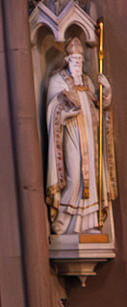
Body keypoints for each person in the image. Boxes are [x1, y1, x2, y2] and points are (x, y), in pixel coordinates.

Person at [47, 33, 114, 235]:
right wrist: (65, 113)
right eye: (74, 59)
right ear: (67, 60)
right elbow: (51, 109)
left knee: (92, 178)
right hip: (72, 133)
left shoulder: (86, 80)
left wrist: (107, 90)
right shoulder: (58, 80)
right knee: (74, 176)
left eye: (80, 59)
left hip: (90, 135)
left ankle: (89, 223)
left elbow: (101, 105)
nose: (77, 62)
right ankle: (64, 220)